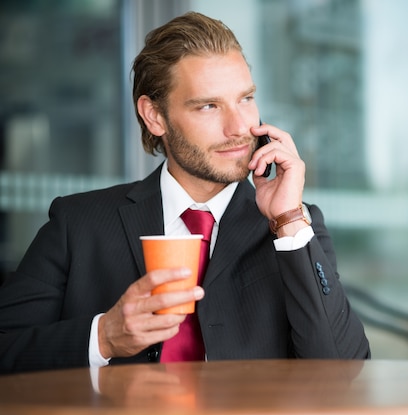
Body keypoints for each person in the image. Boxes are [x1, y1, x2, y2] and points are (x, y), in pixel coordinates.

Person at [0, 12, 370, 373]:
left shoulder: (295, 226)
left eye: (245, 99)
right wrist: (104, 337)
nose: (240, 127)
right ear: (154, 116)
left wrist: (288, 221)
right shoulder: (77, 223)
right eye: (208, 106)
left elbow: (344, 370)